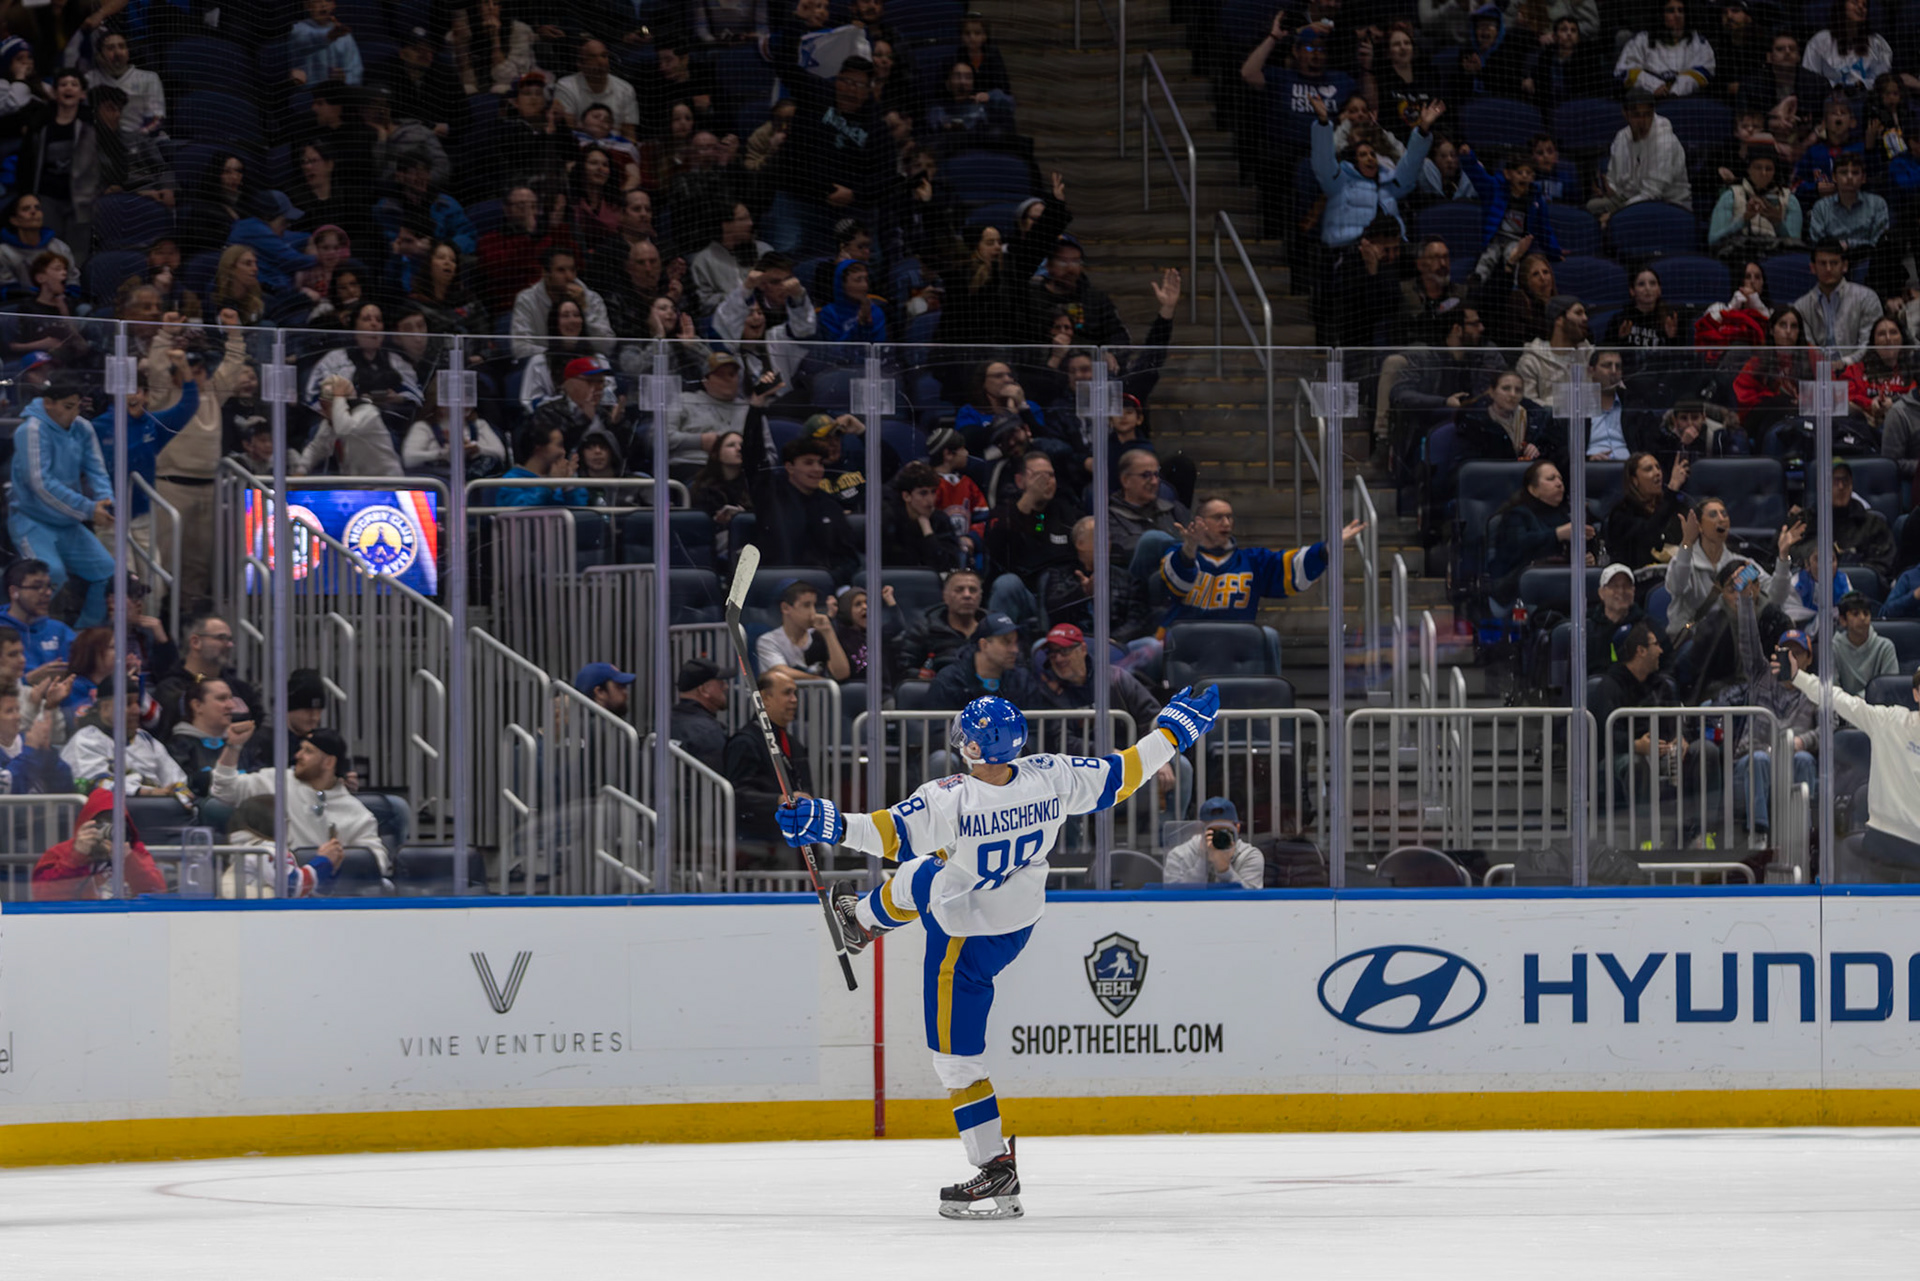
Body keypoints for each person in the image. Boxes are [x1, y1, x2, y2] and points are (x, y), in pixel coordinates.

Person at [774, 685, 1219, 1217]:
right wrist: (1171, 733)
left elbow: (883, 834)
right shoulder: (1049, 774)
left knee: (955, 1060)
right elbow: (1122, 774)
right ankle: (863, 920)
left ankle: (994, 1166)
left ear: (973, 748)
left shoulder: (951, 798)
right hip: (1017, 919)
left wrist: (821, 820)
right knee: (927, 872)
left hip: (964, 937)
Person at [1159, 498, 1364, 630]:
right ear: (1200, 522)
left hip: (1235, 649)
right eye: (1218, 517)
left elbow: (1292, 567)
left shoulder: (1252, 560)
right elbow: (1178, 584)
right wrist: (1189, 549)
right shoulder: (1175, 553)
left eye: (1229, 517)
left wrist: (1326, 549)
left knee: (1269, 637)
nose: (1227, 523)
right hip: (1184, 645)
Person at [9, 377, 113, 628]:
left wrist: (107, 501)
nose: (74, 413)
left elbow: (97, 469)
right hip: (32, 520)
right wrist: (88, 509)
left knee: (109, 573)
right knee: (48, 575)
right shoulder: (30, 430)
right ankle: (22, 633)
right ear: (48, 403)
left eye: (78, 406)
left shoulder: (83, 427)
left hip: (68, 523)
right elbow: (40, 483)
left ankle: (82, 635)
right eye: (68, 406)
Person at [212, 723, 386, 873]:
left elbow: (378, 861)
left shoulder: (356, 813)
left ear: (329, 762)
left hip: (329, 892)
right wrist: (233, 747)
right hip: (276, 883)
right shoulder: (276, 780)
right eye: (301, 749)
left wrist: (336, 859)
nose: (298, 755)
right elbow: (225, 790)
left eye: (308, 751)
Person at [723, 669, 813, 867]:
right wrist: (778, 800)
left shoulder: (794, 744)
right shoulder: (746, 742)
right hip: (760, 842)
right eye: (787, 693)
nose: (794, 700)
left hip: (793, 838)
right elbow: (737, 795)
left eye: (795, 693)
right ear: (765, 698)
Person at [984, 452, 1083, 628]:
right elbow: (996, 549)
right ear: (1019, 481)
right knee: (1007, 583)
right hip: (1024, 595)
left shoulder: (1066, 512)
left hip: (1060, 596)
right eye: (1038, 475)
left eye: (1050, 475)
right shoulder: (1004, 513)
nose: (1046, 481)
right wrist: (1029, 498)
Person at [750, 437, 861, 583]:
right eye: (808, 463)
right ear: (790, 467)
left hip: (825, 583)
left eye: (820, 463)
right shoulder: (771, 499)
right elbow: (754, 463)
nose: (817, 469)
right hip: (780, 583)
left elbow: (849, 558)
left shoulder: (830, 506)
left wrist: (830, 579)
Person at [31, 786, 167, 900]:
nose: (109, 830)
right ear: (86, 823)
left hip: (124, 918)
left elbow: (156, 894)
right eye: (101, 823)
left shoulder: (134, 851)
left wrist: (129, 860)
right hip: (79, 919)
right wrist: (77, 857)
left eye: (115, 823)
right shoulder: (61, 853)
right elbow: (44, 897)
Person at [1487, 460, 1590, 606]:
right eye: (1551, 479)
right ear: (1533, 489)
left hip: (1562, 586)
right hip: (1522, 588)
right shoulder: (1517, 515)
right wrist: (1557, 534)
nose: (1559, 484)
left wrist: (1585, 560)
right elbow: (1518, 546)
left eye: (1560, 479)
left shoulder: (1566, 516)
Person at [1587, 90, 1691, 227]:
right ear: (1625, 114)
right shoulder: (1621, 138)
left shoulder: (1665, 141)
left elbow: (1652, 194)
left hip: (1668, 206)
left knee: (1610, 223)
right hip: (1630, 201)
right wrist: (1609, 189)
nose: (1643, 122)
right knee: (1591, 208)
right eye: (1636, 116)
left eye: (1647, 115)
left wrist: (1615, 215)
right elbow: (1614, 180)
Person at [61, 687, 188, 795]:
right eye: (127, 703)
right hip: (110, 811)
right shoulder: (86, 739)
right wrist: (145, 792)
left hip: (156, 807)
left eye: (137, 702)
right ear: (105, 708)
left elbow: (175, 778)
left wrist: (178, 791)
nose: (136, 710)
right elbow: (93, 785)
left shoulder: (146, 739)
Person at [152, 613, 258, 739]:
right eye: (221, 638)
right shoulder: (171, 690)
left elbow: (262, 727)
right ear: (196, 642)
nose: (229, 645)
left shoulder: (240, 688)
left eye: (230, 640)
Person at [298, 374, 404, 477]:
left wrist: (338, 396)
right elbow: (315, 449)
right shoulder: (330, 424)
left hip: (387, 481)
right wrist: (300, 470)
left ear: (344, 403)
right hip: (357, 484)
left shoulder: (368, 413)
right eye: (322, 405)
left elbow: (344, 430)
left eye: (327, 406)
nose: (322, 411)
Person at [928, 613, 1037, 709]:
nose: (1015, 650)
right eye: (1006, 642)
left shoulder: (1023, 681)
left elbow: (1034, 724)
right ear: (984, 645)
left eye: (1015, 642)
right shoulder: (949, 681)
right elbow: (940, 725)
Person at [1708, 151, 1803, 262]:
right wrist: (1743, 220)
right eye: (1758, 168)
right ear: (1748, 169)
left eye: (1768, 169)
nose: (1763, 173)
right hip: (1739, 256)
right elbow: (1713, 240)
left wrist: (1778, 223)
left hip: (1775, 258)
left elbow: (1795, 247)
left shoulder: (1789, 200)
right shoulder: (1731, 196)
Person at [1613, 0, 1715, 98]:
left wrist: (1676, 89)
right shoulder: (1641, 40)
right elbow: (1622, 72)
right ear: (1660, 15)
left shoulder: (1698, 42)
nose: (1677, 15)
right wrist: (1653, 86)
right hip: (1650, 101)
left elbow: (1706, 72)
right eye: (1671, 11)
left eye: (1681, 11)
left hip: (1686, 102)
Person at [754, 580, 851, 682]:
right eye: (806, 605)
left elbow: (842, 674)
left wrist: (828, 632)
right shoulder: (768, 641)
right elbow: (782, 672)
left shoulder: (819, 635)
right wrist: (821, 681)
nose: (813, 612)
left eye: (814, 605)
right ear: (785, 608)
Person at [1605, 453, 1690, 569]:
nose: (1657, 473)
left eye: (1658, 467)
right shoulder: (1621, 513)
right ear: (1634, 480)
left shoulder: (1675, 507)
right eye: (1648, 469)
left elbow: (1687, 543)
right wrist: (1672, 489)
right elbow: (1647, 535)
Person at [901, 569, 986, 680]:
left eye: (973, 590)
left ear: (980, 596)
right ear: (945, 596)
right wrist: (924, 676)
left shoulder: (995, 628)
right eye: (959, 590)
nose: (967, 595)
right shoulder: (925, 627)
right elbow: (904, 668)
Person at [1163, 796, 1263, 890]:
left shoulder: (1250, 856)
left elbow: (1252, 898)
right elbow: (1174, 896)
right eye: (1212, 831)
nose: (1218, 837)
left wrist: (1224, 870)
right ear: (1200, 829)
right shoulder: (1180, 854)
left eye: (1224, 831)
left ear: (1237, 828)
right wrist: (1202, 860)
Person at [884, 461, 966, 573]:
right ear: (906, 496)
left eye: (933, 492)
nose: (931, 500)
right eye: (923, 493)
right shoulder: (889, 521)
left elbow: (947, 566)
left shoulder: (941, 520)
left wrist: (927, 529)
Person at [167, 676, 240, 798]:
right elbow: (183, 786)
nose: (231, 705)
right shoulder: (178, 748)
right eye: (222, 699)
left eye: (231, 699)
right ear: (197, 706)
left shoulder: (242, 742)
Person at [1515, 296, 1591, 407]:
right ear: (1559, 319)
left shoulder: (1590, 356)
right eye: (1578, 313)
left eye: (1585, 314)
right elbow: (1528, 404)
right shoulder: (1531, 361)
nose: (1585, 318)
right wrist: (1560, 408)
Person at [499, 422, 590, 507]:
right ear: (538, 447)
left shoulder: (562, 479)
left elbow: (582, 512)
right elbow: (520, 510)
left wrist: (567, 485)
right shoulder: (512, 480)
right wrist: (549, 485)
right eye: (559, 445)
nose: (563, 452)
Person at [670, 657, 730, 773]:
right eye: (720, 683)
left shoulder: (662, 723)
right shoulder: (708, 732)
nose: (726, 686)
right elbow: (715, 779)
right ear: (704, 690)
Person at [1834, 592, 1897, 697]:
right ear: (1843, 620)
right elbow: (1832, 690)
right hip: (1842, 705)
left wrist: (1858, 701)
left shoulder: (1885, 647)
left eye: (1866, 613)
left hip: (1877, 705)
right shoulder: (1834, 648)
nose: (1862, 618)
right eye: (1855, 614)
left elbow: (1890, 688)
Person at [1588, 563, 1646, 672]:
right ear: (1601, 593)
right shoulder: (1587, 631)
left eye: (1626, 586)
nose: (1621, 591)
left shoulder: (1647, 627)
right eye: (1614, 586)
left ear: (1633, 591)